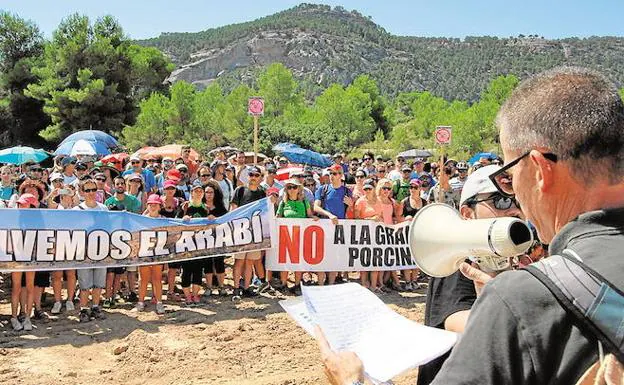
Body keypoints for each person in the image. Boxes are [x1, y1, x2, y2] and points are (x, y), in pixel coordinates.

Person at [316, 67, 624, 385]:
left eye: (509, 173)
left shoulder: (522, 298)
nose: (515, 195)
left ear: (539, 169)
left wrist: (352, 382)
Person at [275, 178, 318, 294]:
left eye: (294, 187)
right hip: (286, 236)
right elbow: (278, 217)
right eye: (289, 187)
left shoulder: (305, 202)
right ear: (286, 190)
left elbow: (309, 215)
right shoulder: (283, 203)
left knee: (298, 261)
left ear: (299, 189)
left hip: (300, 236)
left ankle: (297, 284)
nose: (292, 190)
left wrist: (313, 218)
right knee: (285, 261)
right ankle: (284, 284)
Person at [230, 165, 267, 300]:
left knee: (250, 261)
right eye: (251, 175)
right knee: (239, 261)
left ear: (260, 178)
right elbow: (233, 210)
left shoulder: (262, 193)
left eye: (256, 175)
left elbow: (264, 212)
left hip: (255, 231)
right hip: (241, 230)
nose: (253, 178)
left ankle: (246, 287)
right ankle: (235, 289)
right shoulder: (239, 191)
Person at [313, 164, 354, 285]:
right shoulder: (323, 189)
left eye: (335, 174)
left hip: (339, 229)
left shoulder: (347, 191)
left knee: (334, 257)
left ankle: (330, 284)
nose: (332, 176)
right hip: (324, 227)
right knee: (322, 256)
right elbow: (316, 207)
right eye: (330, 173)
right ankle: (320, 285)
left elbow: (351, 212)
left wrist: (351, 205)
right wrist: (329, 214)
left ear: (341, 176)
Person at [75, 179, 108, 323]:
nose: (91, 193)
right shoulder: (76, 211)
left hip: (101, 250)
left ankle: (95, 306)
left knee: (99, 282)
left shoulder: (103, 208)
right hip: (84, 252)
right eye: (87, 190)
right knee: (84, 283)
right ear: (82, 192)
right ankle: (83, 309)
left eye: (93, 190)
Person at [9, 193, 39, 331]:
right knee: (16, 287)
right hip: (16, 256)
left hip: (31, 256)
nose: (20, 205)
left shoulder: (37, 221)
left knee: (30, 286)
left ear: (31, 205)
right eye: (20, 203)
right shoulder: (13, 218)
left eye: (24, 203)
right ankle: (14, 317)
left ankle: (27, 317)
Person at [178, 180, 209, 305]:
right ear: (191, 193)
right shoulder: (185, 206)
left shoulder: (205, 208)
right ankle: (187, 296)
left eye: (200, 191)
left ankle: (195, 295)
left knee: (198, 270)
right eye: (196, 191)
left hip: (200, 244)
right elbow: (174, 223)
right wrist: (183, 219)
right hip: (186, 244)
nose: (198, 193)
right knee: (186, 271)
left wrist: (211, 219)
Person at [135, 194, 166, 314]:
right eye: (150, 204)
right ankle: (141, 302)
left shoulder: (164, 220)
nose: (153, 207)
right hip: (145, 253)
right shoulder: (141, 220)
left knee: (157, 278)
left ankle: (159, 302)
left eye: (155, 204)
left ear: (159, 206)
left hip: (158, 253)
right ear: (147, 206)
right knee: (143, 279)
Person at [399, 179, 427, 292]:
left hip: (419, 233)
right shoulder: (404, 201)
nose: (412, 190)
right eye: (411, 187)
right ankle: (407, 281)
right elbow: (398, 217)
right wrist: (406, 219)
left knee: (416, 256)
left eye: (415, 187)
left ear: (420, 189)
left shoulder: (425, 202)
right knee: (407, 256)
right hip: (406, 232)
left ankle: (414, 280)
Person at [201, 180, 229, 297]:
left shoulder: (221, 208)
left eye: (211, 192)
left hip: (218, 239)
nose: (209, 194)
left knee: (219, 263)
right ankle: (209, 287)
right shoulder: (199, 207)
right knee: (207, 263)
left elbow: (225, 222)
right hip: (204, 240)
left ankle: (221, 287)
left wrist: (215, 219)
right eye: (206, 192)